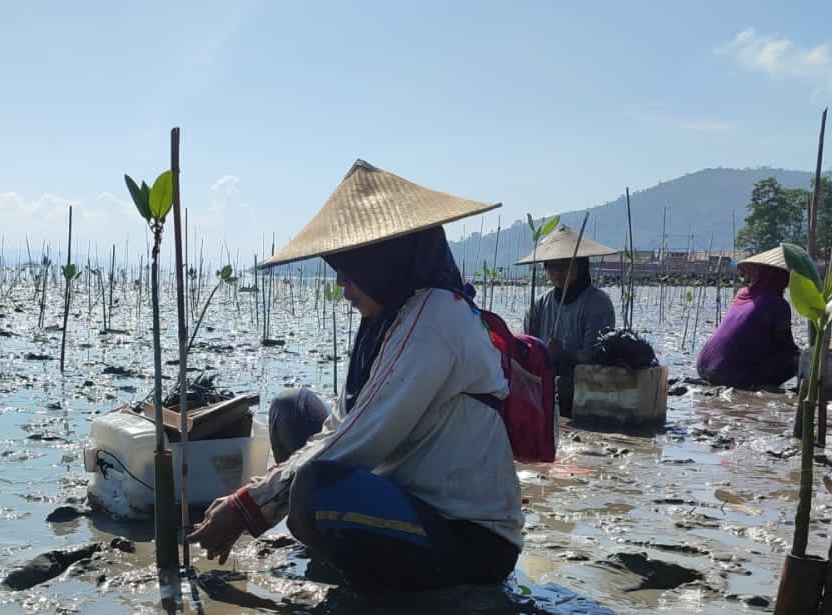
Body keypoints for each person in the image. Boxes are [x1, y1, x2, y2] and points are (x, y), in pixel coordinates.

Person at [187, 160, 524, 591]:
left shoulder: (438, 316)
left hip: (469, 537)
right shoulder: (386, 319)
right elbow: (342, 422)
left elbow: (360, 439)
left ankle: (368, 572)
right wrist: (262, 488)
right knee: (292, 409)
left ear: (385, 262)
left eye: (353, 269)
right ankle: (343, 541)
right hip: (402, 498)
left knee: (315, 490)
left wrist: (248, 507)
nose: (343, 285)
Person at [516, 225, 618, 415]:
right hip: (545, 379)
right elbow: (525, 346)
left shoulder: (597, 303)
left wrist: (563, 354)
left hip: (581, 384)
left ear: (580, 267)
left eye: (565, 266)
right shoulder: (539, 304)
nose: (558, 273)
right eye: (553, 267)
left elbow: (594, 355)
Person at [695, 247, 800, 389]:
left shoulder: (742, 294)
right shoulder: (778, 304)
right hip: (729, 373)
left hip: (703, 366)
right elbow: (786, 346)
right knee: (796, 361)